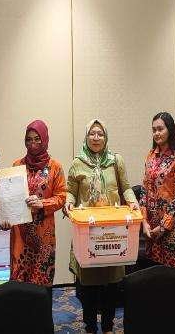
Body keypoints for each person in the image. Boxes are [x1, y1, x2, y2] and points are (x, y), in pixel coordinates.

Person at [63, 119, 139, 334]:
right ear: (86, 137)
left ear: (106, 137)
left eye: (100, 134)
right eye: (92, 134)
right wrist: (68, 202)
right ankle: (90, 326)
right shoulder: (78, 163)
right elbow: (70, 191)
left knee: (112, 285)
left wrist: (132, 201)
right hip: (88, 232)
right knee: (88, 287)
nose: (96, 138)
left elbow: (126, 187)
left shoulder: (115, 161)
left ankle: (107, 326)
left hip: (113, 232)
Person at [0, 120, 66, 287]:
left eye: (37, 139)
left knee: (42, 280)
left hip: (44, 234)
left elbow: (61, 197)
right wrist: (5, 217)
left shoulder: (55, 167)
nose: (33, 143)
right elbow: (9, 197)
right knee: (19, 281)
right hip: (20, 233)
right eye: (29, 139)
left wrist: (42, 203)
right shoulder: (17, 165)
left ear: (45, 139)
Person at [140, 111, 175, 269]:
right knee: (155, 274)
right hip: (152, 228)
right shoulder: (150, 156)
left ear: (170, 130)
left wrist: (164, 226)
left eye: (160, 129)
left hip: (172, 226)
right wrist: (144, 221)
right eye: (154, 130)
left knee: (173, 275)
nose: (156, 133)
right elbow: (144, 190)